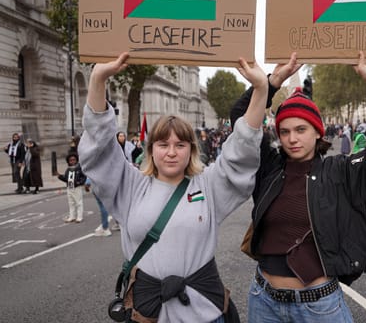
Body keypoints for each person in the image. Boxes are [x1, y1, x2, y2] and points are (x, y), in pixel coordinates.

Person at [78, 51, 269, 323]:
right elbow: (100, 150)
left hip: (205, 313)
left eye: (180, 145)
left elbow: (241, 152)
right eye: (163, 145)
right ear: (151, 149)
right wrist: (98, 79)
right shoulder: (130, 185)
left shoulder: (208, 185)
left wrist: (261, 89)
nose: (171, 152)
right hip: (148, 313)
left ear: (190, 150)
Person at [230, 51, 366, 323]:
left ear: (318, 131)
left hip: (319, 308)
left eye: (301, 129)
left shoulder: (343, 171)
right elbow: (241, 119)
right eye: (284, 131)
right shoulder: (268, 167)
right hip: (264, 302)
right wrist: (274, 80)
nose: (292, 139)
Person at [56, 153, 87, 222]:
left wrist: (79, 182)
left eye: (74, 160)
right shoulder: (68, 169)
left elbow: (84, 177)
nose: (72, 161)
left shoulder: (79, 168)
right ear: (68, 161)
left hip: (77, 187)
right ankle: (72, 216)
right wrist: (59, 176)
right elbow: (66, 178)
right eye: (70, 160)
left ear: (76, 160)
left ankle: (79, 217)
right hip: (69, 188)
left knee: (78, 202)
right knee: (71, 203)